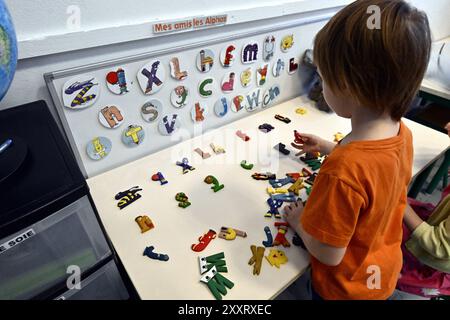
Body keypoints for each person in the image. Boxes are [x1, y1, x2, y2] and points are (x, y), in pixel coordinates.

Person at [283, 0, 432, 300]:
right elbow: (375, 176)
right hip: (383, 272)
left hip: (344, 290)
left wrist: (299, 223)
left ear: (350, 86)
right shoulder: (402, 134)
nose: (321, 85)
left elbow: (329, 253)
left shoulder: (344, 170)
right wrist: (328, 147)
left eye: (324, 78)